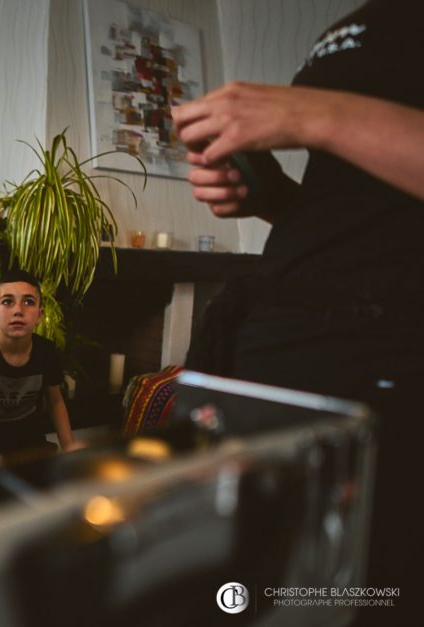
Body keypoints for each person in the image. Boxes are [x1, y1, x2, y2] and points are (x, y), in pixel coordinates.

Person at [172, 0, 422, 620]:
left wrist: (321, 115)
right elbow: (367, 216)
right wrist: (276, 199)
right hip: (276, 349)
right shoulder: (364, 19)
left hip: (386, 367)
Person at [0, 270, 79, 455]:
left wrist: (69, 446)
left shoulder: (46, 351)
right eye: (7, 301)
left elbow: (55, 401)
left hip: (32, 442)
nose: (18, 310)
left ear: (39, 315)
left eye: (28, 302)